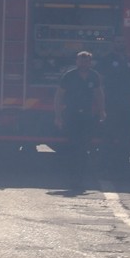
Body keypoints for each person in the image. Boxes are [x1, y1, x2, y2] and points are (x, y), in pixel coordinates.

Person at [54, 51, 105, 190]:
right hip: (71, 116)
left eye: (87, 61)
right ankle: (73, 177)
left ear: (90, 62)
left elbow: (99, 94)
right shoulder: (69, 76)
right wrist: (58, 116)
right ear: (76, 61)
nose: (84, 63)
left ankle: (80, 178)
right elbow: (59, 96)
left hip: (87, 116)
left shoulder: (94, 76)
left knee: (84, 148)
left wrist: (102, 111)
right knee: (73, 147)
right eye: (81, 60)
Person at [99, 37, 130, 175]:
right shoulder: (107, 60)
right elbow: (100, 82)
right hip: (111, 102)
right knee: (109, 136)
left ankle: (123, 167)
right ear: (112, 44)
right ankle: (106, 168)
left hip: (126, 103)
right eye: (117, 42)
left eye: (122, 42)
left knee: (126, 136)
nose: (120, 44)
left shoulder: (127, 60)